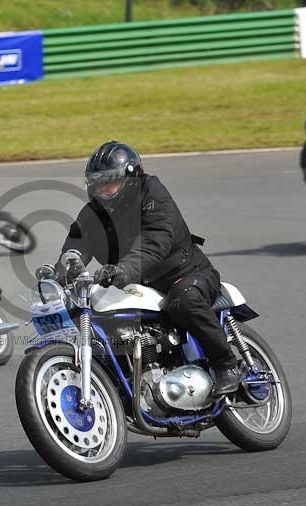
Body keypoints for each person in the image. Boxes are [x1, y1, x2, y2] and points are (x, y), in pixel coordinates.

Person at [59, 141, 241, 396]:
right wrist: (67, 267)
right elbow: (77, 244)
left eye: (109, 184)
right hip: (137, 284)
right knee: (94, 314)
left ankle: (226, 365)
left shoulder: (152, 194)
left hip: (186, 274)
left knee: (184, 300)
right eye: (97, 183)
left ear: (130, 180)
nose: (102, 190)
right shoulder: (92, 213)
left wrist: (122, 270)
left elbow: (154, 241)